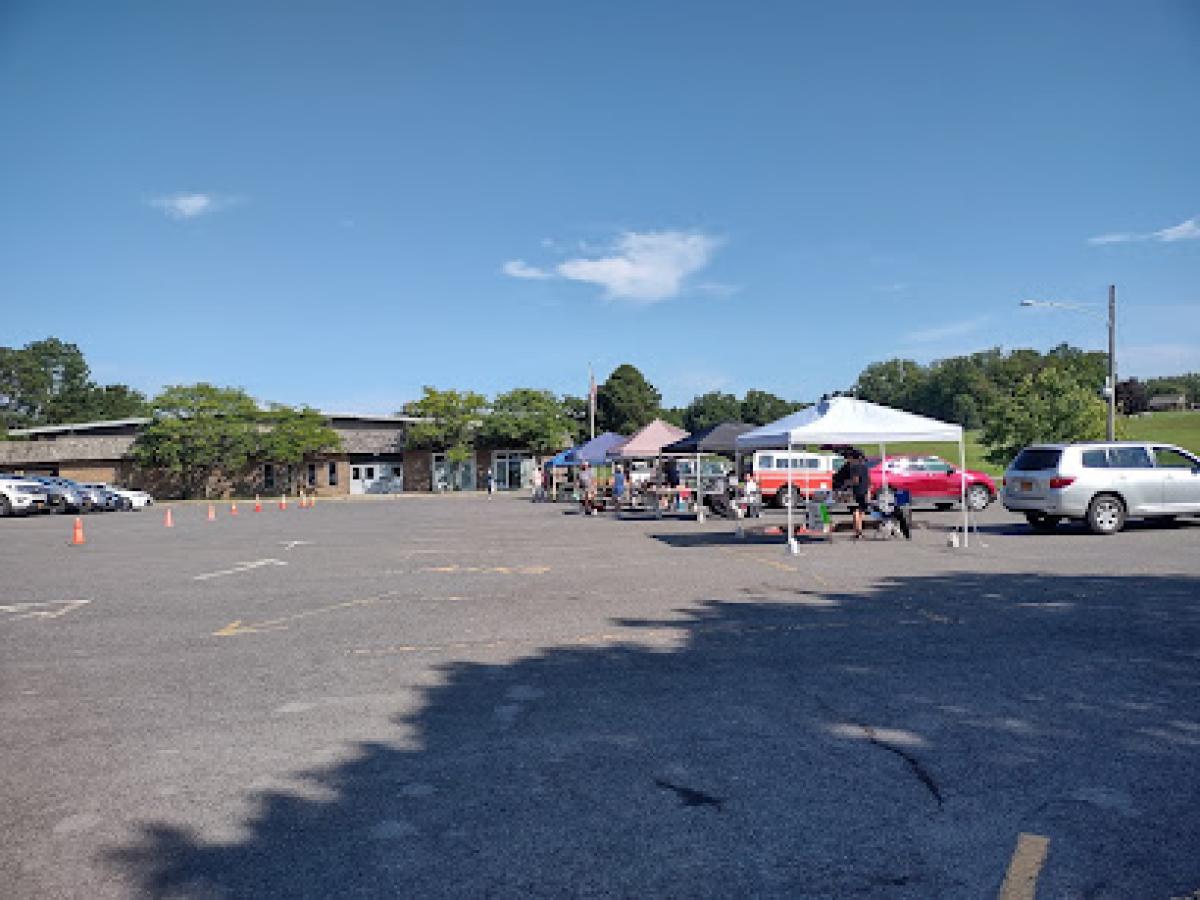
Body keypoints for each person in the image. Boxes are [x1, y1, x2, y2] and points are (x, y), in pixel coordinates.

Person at [832, 448, 869, 539]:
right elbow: (868, 480)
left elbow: (855, 480)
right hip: (864, 490)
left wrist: (846, 484)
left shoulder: (853, 467)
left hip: (856, 491)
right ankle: (859, 530)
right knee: (861, 511)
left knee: (855, 511)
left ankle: (858, 531)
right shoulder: (865, 467)